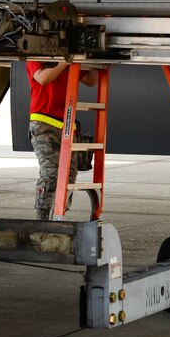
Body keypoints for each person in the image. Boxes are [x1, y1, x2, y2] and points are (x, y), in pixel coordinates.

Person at [26, 62, 98, 221]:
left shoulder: (73, 62)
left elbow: (90, 81)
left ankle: (59, 216)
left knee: (69, 175)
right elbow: (43, 78)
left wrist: (98, 64)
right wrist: (64, 63)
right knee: (51, 173)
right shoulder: (36, 57)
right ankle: (43, 220)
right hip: (44, 122)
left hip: (67, 125)